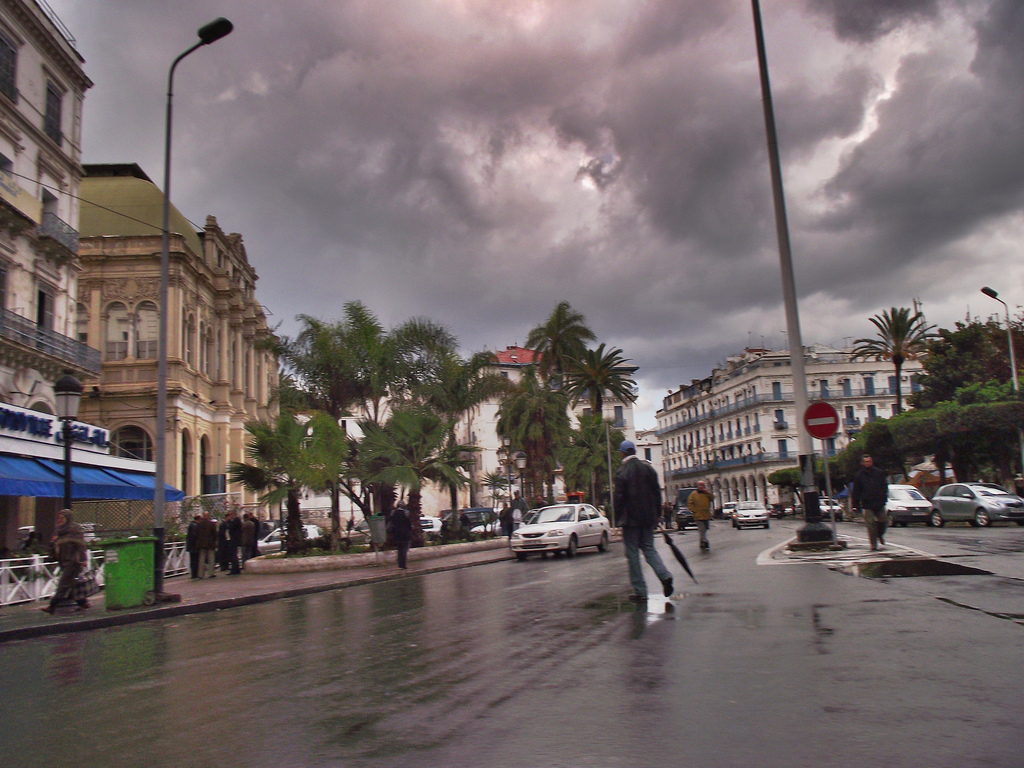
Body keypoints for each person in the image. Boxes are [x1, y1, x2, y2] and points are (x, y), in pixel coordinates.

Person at [613, 440, 673, 602]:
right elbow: (656, 493)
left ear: (622, 453)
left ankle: (640, 590)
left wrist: (617, 518)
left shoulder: (622, 472)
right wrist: (657, 514)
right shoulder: (648, 469)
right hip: (648, 518)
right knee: (649, 549)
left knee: (632, 554)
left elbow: (619, 499)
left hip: (630, 520)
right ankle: (664, 575)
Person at [40, 509, 90, 614]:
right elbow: (54, 547)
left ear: (68, 518)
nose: (59, 520)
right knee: (71, 583)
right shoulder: (58, 531)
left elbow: (81, 545)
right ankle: (83, 602)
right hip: (63, 561)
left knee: (63, 584)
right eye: (58, 518)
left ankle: (52, 606)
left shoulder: (75, 530)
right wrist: (53, 543)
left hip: (73, 561)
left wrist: (83, 559)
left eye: (62, 518)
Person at [851, 454, 889, 550]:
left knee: (884, 521)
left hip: (879, 502)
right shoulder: (859, 476)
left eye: (869, 461)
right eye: (866, 462)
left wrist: (884, 497)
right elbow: (856, 491)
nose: (868, 463)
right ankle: (873, 545)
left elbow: (884, 486)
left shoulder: (879, 473)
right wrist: (855, 505)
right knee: (870, 524)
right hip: (867, 504)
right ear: (862, 463)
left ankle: (879, 534)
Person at [687, 481, 714, 550]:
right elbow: (690, 503)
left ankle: (702, 542)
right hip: (698, 516)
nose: (701, 486)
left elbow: (712, 498)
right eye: (700, 485)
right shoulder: (693, 494)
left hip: (706, 515)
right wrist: (694, 511)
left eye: (702, 485)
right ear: (698, 486)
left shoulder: (706, 493)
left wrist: (707, 493)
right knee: (702, 529)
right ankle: (705, 541)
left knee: (706, 528)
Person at [196, 512, 218, 579]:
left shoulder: (199, 524)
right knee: (211, 558)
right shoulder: (211, 524)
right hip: (210, 543)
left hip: (201, 543)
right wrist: (215, 541)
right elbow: (215, 534)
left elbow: (196, 533)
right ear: (208, 516)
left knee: (201, 559)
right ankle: (211, 573)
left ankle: (200, 574)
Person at [185, 513, 201, 578]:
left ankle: (194, 573)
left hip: (191, 546)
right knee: (195, 560)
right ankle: (195, 573)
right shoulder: (195, 526)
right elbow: (195, 536)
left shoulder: (192, 525)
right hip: (194, 546)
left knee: (193, 560)